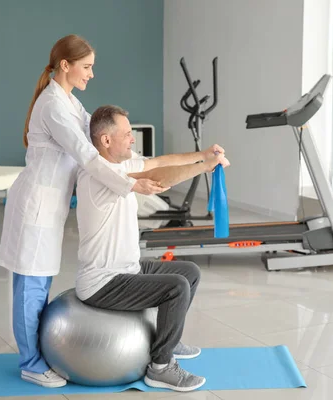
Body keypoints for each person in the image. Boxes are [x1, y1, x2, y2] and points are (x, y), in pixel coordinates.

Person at [0, 34, 170, 388]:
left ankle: (35, 355)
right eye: (87, 67)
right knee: (30, 287)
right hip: (35, 206)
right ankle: (30, 363)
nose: (91, 74)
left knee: (38, 282)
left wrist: (145, 166)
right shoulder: (53, 105)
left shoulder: (71, 104)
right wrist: (132, 184)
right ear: (66, 65)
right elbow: (89, 155)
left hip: (49, 207)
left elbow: (102, 139)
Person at [74, 104, 230, 392]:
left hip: (127, 268)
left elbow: (160, 162)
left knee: (190, 272)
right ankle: (160, 368)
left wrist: (203, 154)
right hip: (103, 281)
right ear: (106, 140)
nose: (133, 139)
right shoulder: (96, 175)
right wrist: (205, 168)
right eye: (127, 134)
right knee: (177, 287)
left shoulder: (121, 164)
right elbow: (159, 179)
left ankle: (168, 339)